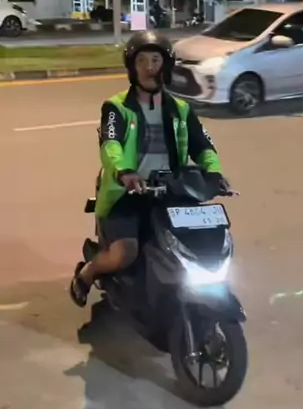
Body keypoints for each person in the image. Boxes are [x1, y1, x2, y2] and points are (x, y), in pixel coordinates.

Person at [70, 30, 225, 307]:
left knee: (199, 241)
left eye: (155, 60)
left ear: (166, 66)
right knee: (124, 253)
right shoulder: (117, 107)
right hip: (127, 192)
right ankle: (86, 274)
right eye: (142, 61)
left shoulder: (181, 109)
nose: (149, 67)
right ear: (132, 68)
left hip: (171, 190)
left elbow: (203, 146)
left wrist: (214, 173)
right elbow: (111, 145)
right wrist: (125, 172)